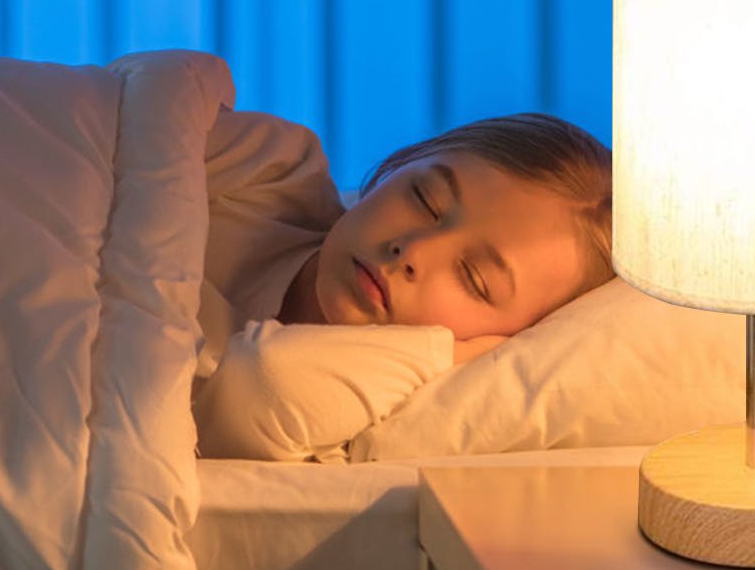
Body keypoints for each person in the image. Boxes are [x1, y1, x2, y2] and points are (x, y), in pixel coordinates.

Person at [191, 108, 613, 460]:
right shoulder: (270, 171)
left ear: (511, 338)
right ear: (399, 164)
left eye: (474, 278)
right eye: (426, 200)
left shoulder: (328, 409)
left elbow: (263, 377)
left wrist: (461, 355)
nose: (413, 251)